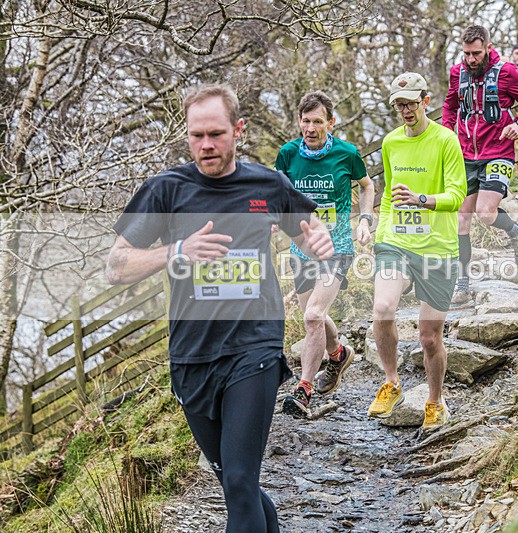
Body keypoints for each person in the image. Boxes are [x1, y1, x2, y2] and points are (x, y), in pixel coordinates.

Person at [106, 83, 333, 533]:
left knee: (242, 478)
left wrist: (317, 238)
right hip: (192, 354)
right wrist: (176, 251)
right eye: (196, 135)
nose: (206, 145)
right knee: (233, 483)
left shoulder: (267, 183)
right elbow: (116, 265)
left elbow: (307, 229)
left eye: (215, 133)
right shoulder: (165, 190)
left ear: (238, 130)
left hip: (255, 346)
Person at [368, 72, 466, 429]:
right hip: (397, 241)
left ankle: (435, 401)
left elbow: (456, 196)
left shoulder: (446, 141)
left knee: (428, 338)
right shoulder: (391, 143)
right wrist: (382, 237)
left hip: (438, 247)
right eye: (399, 104)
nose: (405, 110)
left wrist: (424, 200)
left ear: (426, 100)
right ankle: (392, 382)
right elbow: (390, 195)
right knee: (382, 307)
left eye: (411, 103)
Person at [276, 90, 374, 418]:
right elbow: (279, 193)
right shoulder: (288, 155)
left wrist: (365, 220)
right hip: (301, 250)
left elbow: (367, 185)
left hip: (338, 248)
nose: (311, 127)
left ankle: (303, 389)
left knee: (313, 316)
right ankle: (338, 354)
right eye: (306, 121)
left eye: (318, 121)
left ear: (330, 123)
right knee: (314, 319)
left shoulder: (347, 153)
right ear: (299, 122)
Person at [443, 25, 518, 307]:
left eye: (476, 53)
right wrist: (448, 130)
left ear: (488, 47)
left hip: (498, 151)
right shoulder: (457, 73)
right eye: (466, 54)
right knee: (461, 219)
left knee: (485, 213)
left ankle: (516, 232)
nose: (471, 59)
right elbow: (450, 107)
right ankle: (462, 284)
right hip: (464, 154)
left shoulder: (506, 72)